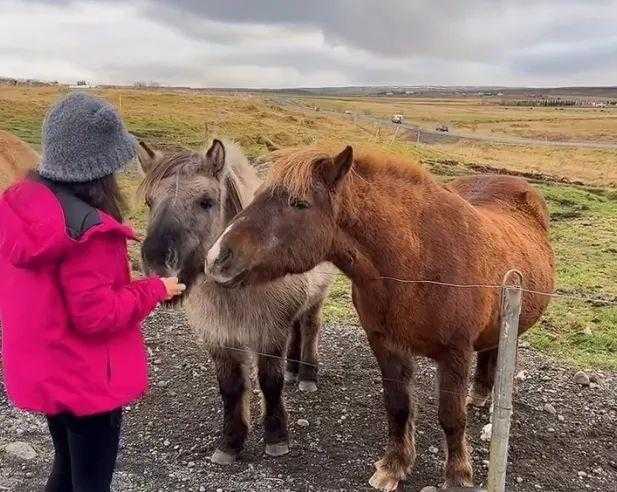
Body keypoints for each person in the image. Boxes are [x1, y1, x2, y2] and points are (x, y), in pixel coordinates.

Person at [0, 92, 185, 491]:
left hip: (48, 370)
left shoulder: (24, 209)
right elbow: (98, 315)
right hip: (86, 381)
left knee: (66, 467)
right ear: (100, 168)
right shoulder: (89, 232)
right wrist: (156, 289)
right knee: (91, 482)